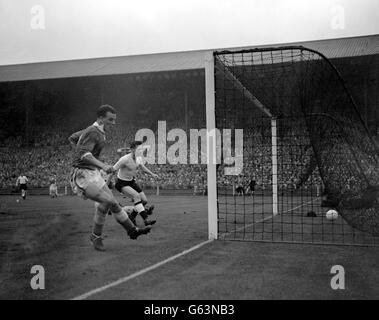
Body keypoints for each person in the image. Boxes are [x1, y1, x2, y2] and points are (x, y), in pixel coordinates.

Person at [68, 105, 152, 252]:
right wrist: (101, 164)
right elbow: (84, 155)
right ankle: (96, 236)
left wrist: (80, 149)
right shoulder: (93, 132)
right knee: (106, 201)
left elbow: (73, 138)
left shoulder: (98, 131)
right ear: (100, 118)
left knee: (112, 203)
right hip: (81, 174)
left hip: (92, 173)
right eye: (110, 119)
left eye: (114, 120)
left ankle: (132, 230)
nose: (113, 123)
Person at [113, 141, 159, 226]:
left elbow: (142, 167)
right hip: (121, 183)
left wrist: (152, 174)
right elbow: (112, 170)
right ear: (132, 149)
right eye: (139, 149)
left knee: (144, 201)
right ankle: (146, 219)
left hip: (131, 182)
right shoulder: (125, 159)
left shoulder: (139, 158)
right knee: (136, 196)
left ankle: (131, 216)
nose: (141, 151)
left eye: (141, 149)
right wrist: (106, 185)